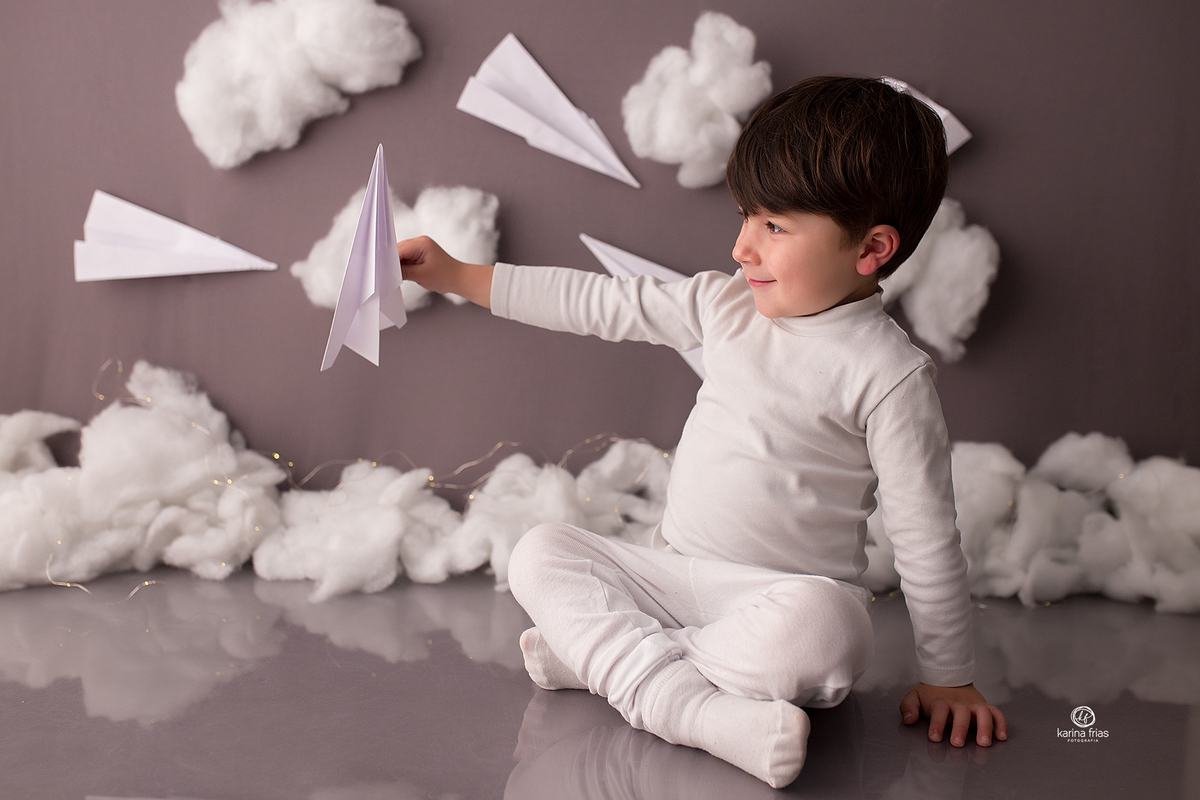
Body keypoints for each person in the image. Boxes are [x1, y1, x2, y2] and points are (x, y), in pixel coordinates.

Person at [398, 75, 1007, 788]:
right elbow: (595, 301)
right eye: (747, 216)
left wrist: (949, 676)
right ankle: (688, 706)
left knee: (833, 632)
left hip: (773, 604)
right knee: (538, 550)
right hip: (667, 575)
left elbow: (927, 534)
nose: (742, 247)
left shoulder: (888, 375)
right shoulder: (724, 305)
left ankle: (610, 664)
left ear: (871, 249)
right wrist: (459, 275)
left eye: (774, 227)